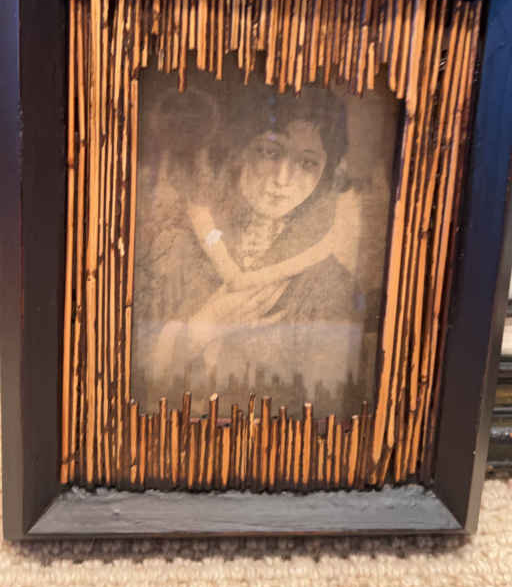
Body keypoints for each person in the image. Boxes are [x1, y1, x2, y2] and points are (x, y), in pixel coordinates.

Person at [134, 69, 366, 418]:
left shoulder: (331, 283)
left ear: (325, 174)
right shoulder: (176, 245)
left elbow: (324, 415)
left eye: (307, 163)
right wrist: (198, 331)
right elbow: (130, 378)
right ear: (241, 151)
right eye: (271, 152)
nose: (283, 180)